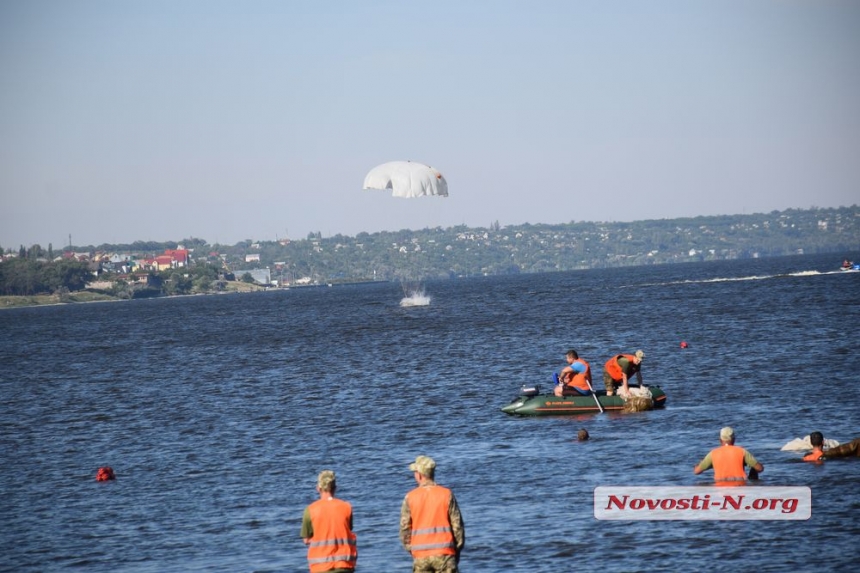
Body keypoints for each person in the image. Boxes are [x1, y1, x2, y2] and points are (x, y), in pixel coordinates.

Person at [400, 455, 465, 573]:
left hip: (420, 557)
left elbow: (405, 531)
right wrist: (456, 550)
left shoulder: (410, 497)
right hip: (445, 555)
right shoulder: (446, 494)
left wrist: (413, 551)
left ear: (419, 475)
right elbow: (458, 527)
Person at [301, 470, 357, 573]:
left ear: (318, 488)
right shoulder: (346, 507)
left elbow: (306, 540)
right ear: (335, 488)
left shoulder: (310, 510)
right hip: (344, 565)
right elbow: (345, 531)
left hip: (320, 567)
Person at [694, 427, 764, 485]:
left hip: (720, 489)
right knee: (754, 469)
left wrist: (701, 464)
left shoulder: (713, 453)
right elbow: (760, 468)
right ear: (734, 439)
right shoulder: (742, 451)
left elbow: (696, 471)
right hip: (740, 487)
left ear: (720, 440)